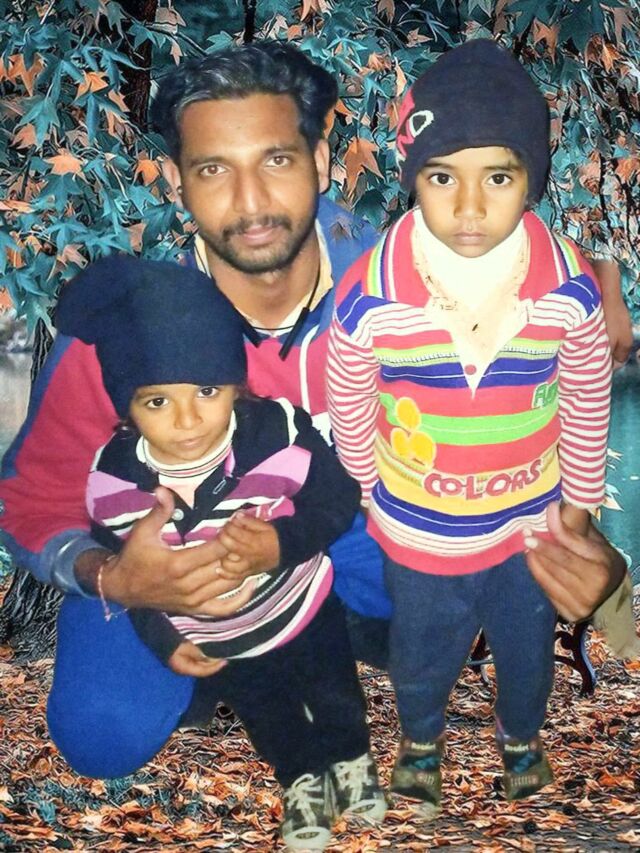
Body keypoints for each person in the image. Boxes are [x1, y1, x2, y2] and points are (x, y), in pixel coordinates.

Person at [0, 39, 627, 791]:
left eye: (276, 160)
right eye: (213, 170)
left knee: (440, 590)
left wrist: (594, 564)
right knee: (102, 734)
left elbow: (527, 418)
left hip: (357, 530)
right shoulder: (125, 329)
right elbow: (30, 498)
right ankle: (221, 668)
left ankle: (333, 634)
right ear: (175, 181)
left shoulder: (408, 284)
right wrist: (112, 575)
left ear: (322, 161)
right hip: (178, 556)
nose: (250, 202)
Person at [327, 39, 613, 816]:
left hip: (530, 525)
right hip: (420, 526)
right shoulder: (374, 289)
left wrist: (579, 502)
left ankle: (521, 740)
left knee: (527, 654)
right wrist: (363, 483)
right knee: (421, 656)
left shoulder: (567, 284)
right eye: (442, 177)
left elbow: (587, 389)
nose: (470, 207)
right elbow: (348, 386)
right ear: (413, 176)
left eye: (498, 177)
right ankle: (420, 744)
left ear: (532, 180)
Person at [51, 254, 385, 850]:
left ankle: (352, 763)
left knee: (335, 696)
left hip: (304, 604)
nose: (187, 420)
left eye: (207, 391)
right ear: (127, 408)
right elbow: (130, 576)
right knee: (270, 716)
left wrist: (283, 542)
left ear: (235, 385)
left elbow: (336, 498)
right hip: (217, 632)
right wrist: (164, 638)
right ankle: (303, 787)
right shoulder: (115, 483)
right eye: (156, 401)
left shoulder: (277, 430)